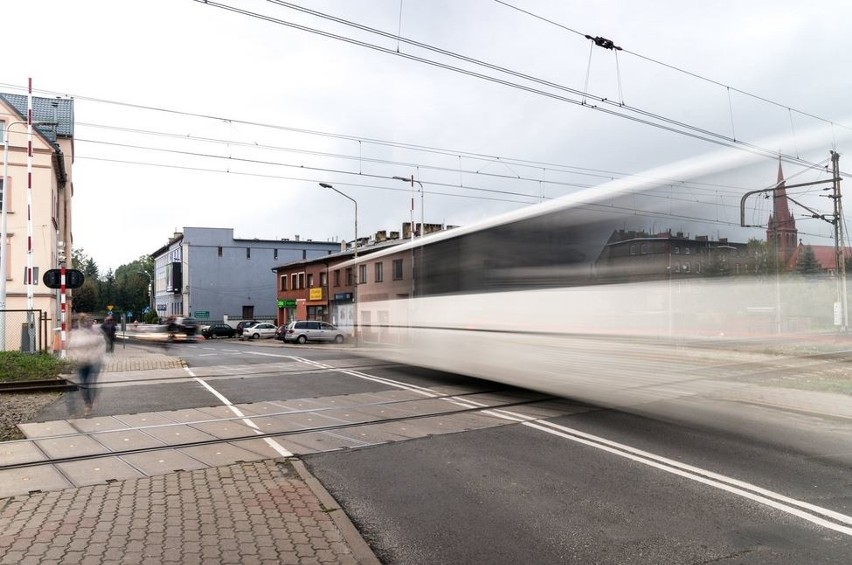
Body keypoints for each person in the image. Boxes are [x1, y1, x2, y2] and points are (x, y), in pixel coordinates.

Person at [67, 313, 107, 417]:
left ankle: (90, 403)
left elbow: (101, 346)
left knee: (91, 383)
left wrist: (95, 356)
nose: (84, 323)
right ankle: (87, 403)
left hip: (94, 362)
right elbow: (71, 348)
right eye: (82, 321)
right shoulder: (75, 334)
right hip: (82, 362)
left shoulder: (95, 332)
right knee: (83, 384)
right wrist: (76, 357)